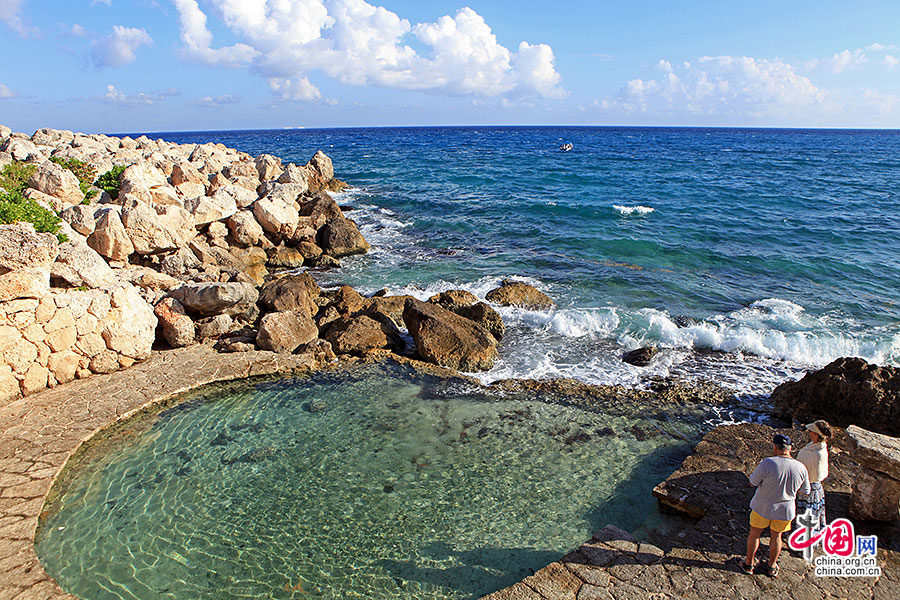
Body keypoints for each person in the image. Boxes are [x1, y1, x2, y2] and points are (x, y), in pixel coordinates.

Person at [735, 433, 810, 578]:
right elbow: (806, 491)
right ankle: (772, 566)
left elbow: (753, 482)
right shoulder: (801, 467)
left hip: (762, 506)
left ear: (775, 447)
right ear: (790, 448)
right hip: (785, 510)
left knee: (754, 535)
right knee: (777, 537)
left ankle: (749, 564)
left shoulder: (768, 463)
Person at [795, 420, 832, 531]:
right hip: (812, 486)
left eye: (810, 431)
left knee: (807, 515)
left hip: (810, 488)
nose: (809, 432)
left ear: (816, 434)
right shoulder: (817, 446)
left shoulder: (817, 452)